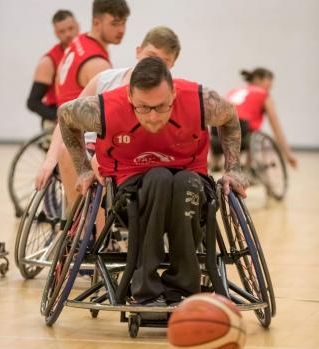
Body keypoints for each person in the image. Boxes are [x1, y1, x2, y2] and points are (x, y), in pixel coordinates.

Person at [58, 56, 247, 306]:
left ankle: (183, 286)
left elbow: (230, 116)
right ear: (130, 98)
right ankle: (144, 287)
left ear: (174, 93)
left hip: (190, 182)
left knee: (185, 182)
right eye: (143, 108)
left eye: (161, 106)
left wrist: (233, 168)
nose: (153, 116)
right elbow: (65, 116)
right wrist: (83, 169)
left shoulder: (200, 101)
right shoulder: (106, 108)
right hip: (131, 188)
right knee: (158, 178)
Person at [35, 26, 180, 198]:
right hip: (90, 149)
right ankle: (74, 221)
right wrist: (50, 159)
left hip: (129, 156)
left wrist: (104, 156)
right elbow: (67, 118)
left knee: (106, 173)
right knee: (66, 150)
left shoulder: (170, 95)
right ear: (138, 51)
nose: (155, 64)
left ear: (171, 65)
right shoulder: (105, 79)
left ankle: (102, 221)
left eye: (164, 61)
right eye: (151, 55)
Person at [35, 0, 130, 190]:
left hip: (64, 128)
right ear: (96, 22)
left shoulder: (78, 41)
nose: (121, 29)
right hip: (75, 136)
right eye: (114, 23)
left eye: (124, 22)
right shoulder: (97, 64)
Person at [211, 67, 298, 169]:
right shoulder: (263, 94)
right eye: (270, 81)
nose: (272, 86)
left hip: (217, 127)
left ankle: (215, 163)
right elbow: (276, 127)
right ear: (258, 79)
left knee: (223, 127)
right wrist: (288, 154)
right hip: (240, 127)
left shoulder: (234, 90)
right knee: (252, 134)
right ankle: (250, 168)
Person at [27, 10, 79, 123]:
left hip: (81, 115)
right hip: (57, 119)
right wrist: (60, 118)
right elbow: (33, 102)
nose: (68, 34)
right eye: (62, 31)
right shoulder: (49, 61)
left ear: (78, 26)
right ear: (56, 33)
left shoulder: (87, 52)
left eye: (71, 28)